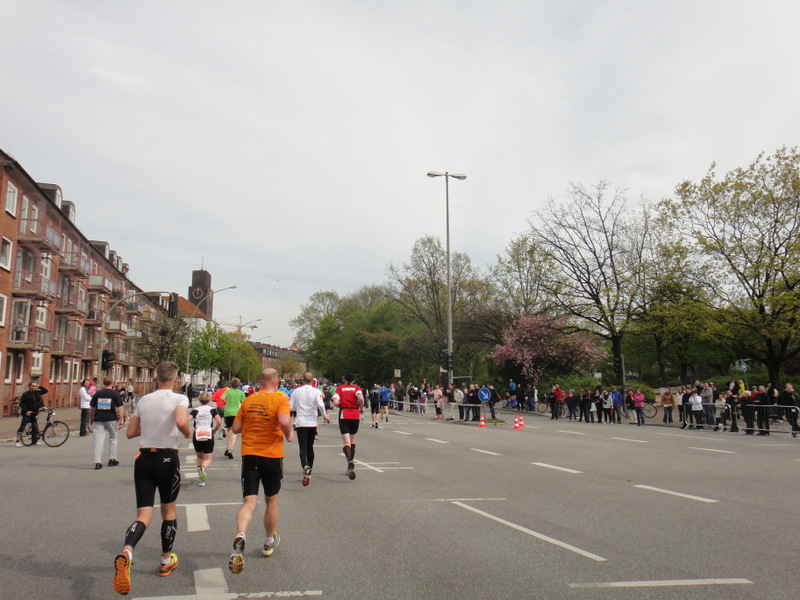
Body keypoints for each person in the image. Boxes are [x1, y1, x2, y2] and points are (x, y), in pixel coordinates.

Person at [112, 361, 191, 596]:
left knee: (143, 515)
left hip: (144, 459)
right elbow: (180, 421)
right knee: (169, 512)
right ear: (176, 379)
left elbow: (130, 433)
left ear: (156, 378)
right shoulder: (179, 399)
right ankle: (166, 561)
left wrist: (150, 427)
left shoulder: (144, 400)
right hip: (167, 458)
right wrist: (188, 432)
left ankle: (127, 551)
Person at [228, 368, 294, 574]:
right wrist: (288, 434)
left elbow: (236, 428)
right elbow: (284, 421)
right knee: (271, 499)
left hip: (250, 454)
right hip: (272, 455)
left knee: (249, 501)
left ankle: (241, 534)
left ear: (259, 381)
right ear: (278, 381)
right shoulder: (280, 399)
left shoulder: (248, 401)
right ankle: (268, 540)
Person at [289, 372, 329, 486]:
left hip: (301, 422)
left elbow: (291, 406)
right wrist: (324, 415)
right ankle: (309, 470)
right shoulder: (316, 391)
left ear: (302, 380)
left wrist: (298, 407)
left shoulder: (297, 391)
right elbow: (320, 405)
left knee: (302, 448)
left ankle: (305, 466)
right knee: (310, 446)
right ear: (312, 381)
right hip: (312, 422)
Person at [332, 373, 364, 480]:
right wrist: (362, 408)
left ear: (345, 380)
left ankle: (349, 460)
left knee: (346, 443)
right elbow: (361, 398)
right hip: (355, 414)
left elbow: (335, 402)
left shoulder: (340, 389)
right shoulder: (356, 388)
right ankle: (350, 465)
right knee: (352, 440)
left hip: (344, 414)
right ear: (353, 380)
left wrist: (339, 402)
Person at [90, 376, 124, 469]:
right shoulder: (115, 394)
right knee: (113, 436)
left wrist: (91, 418)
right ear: (112, 383)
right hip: (111, 418)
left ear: (103, 383)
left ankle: (97, 461)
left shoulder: (97, 394)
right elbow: (119, 408)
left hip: (98, 418)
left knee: (98, 440)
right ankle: (112, 459)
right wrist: (121, 419)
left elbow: (92, 407)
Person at [190, 392, 222, 486]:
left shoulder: (195, 410)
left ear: (200, 400)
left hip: (198, 432)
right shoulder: (212, 410)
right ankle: (204, 468)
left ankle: (201, 477)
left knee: (200, 456)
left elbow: (186, 419)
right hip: (208, 432)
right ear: (209, 400)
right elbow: (219, 422)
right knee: (208, 457)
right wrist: (214, 430)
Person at [15, 380, 49, 446]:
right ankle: (17, 441)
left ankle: (35, 441)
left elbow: (46, 391)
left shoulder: (38, 393)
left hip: (34, 412)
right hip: (27, 413)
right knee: (22, 426)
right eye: (33, 386)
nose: (34, 387)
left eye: (35, 386)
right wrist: (26, 411)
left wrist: (39, 386)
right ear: (29, 386)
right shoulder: (25, 394)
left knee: (35, 427)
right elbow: (22, 404)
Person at [222, 378, 246, 459]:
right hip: (236, 413)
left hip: (228, 412)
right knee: (234, 432)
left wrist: (225, 402)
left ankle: (228, 446)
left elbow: (222, 398)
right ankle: (231, 449)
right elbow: (244, 403)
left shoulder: (228, 391)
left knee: (228, 430)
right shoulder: (241, 393)